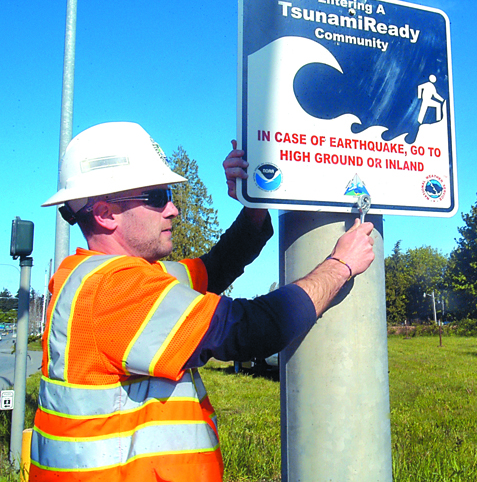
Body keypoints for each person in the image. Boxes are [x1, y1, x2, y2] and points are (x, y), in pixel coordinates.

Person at [31, 121, 375, 481]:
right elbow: (250, 330)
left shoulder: (111, 277)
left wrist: (254, 199)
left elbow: (217, 268)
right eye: (157, 196)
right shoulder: (114, 291)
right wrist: (340, 265)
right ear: (105, 214)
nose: (173, 209)